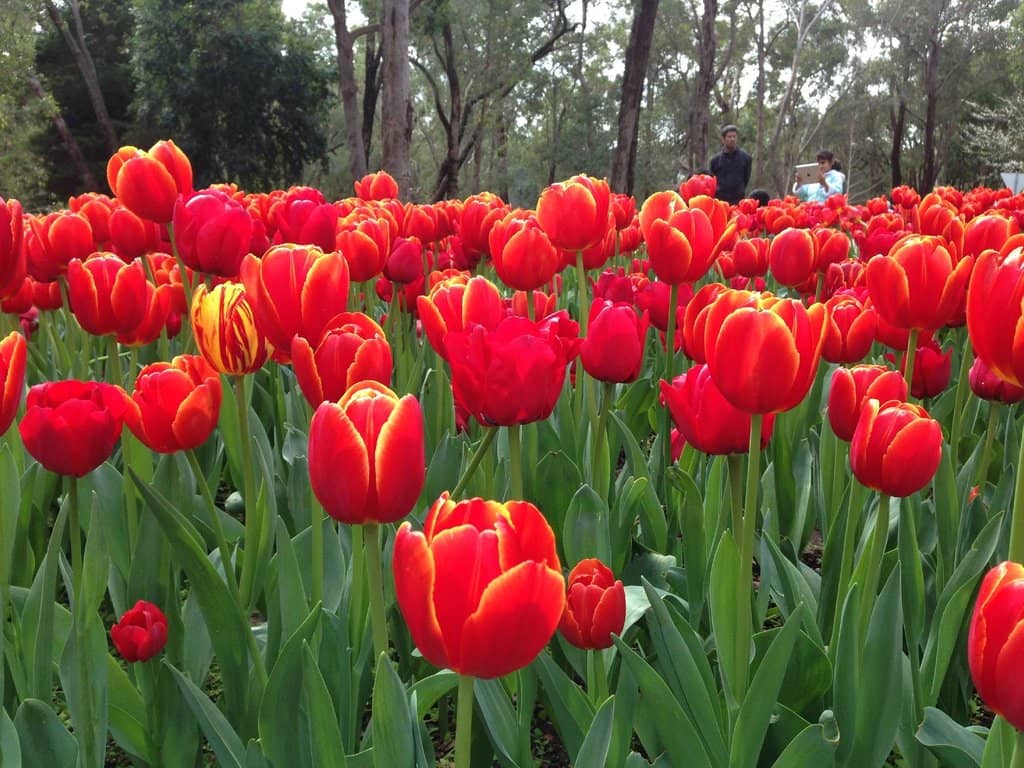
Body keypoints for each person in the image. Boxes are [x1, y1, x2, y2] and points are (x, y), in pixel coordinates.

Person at [708, 124, 752, 205]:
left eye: (734, 136)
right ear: (723, 139)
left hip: (738, 200)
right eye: (729, 137)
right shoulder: (715, 160)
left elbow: (746, 178)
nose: (732, 139)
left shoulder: (746, 158)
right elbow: (712, 181)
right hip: (720, 201)